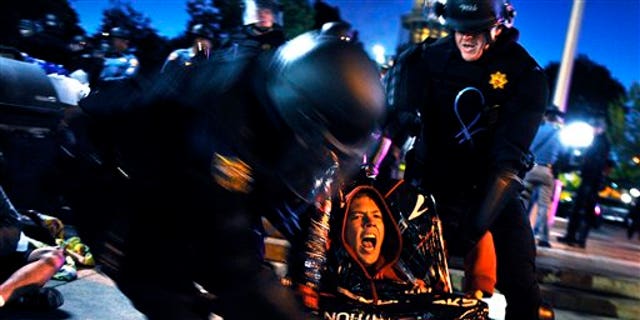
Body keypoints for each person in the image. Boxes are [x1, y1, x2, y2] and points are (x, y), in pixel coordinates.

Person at [57, 26, 385, 319]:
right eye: (321, 152)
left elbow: (285, 208)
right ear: (300, 117)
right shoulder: (224, 134)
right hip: (109, 179)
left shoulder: (274, 102)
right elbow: (235, 275)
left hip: (174, 176)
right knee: (167, 290)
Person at [372, 0, 551, 319]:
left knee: (522, 281)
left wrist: (473, 228)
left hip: (488, 185)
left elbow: (509, 161)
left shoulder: (525, 74)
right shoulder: (426, 58)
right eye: (460, 29)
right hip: (429, 181)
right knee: (388, 269)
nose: (466, 38)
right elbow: (396, 124)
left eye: (476, 30)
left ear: (498, 27)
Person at [313, 179, 489, 319]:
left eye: (377, 216)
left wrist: (479, 286)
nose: (370, 223)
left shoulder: (411, 275)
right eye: (358, 216)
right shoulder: (326, 275)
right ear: (344, 229)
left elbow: (476, 230)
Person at [0, 186, 65, 311]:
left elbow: (13, 230)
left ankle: (5, 296)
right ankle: (19, 296)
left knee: (55, 257)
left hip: (9, 257)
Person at [558, 119, 611, 248]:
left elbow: (592, 161)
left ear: (598, 128)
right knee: (587, 210)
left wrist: (582, 167)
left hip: (589, 179)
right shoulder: (605, 143)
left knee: (578, 209)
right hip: (594, 181)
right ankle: (580, 239)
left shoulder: (598, 142)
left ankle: (571, 236)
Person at [523, 105, 564, 248]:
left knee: (523, 202)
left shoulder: (536, 129)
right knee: (544, 206)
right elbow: (562, 155)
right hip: (547, 171)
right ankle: (543, 238)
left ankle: (518, 232)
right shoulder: (559, 133)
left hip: (531, 168)